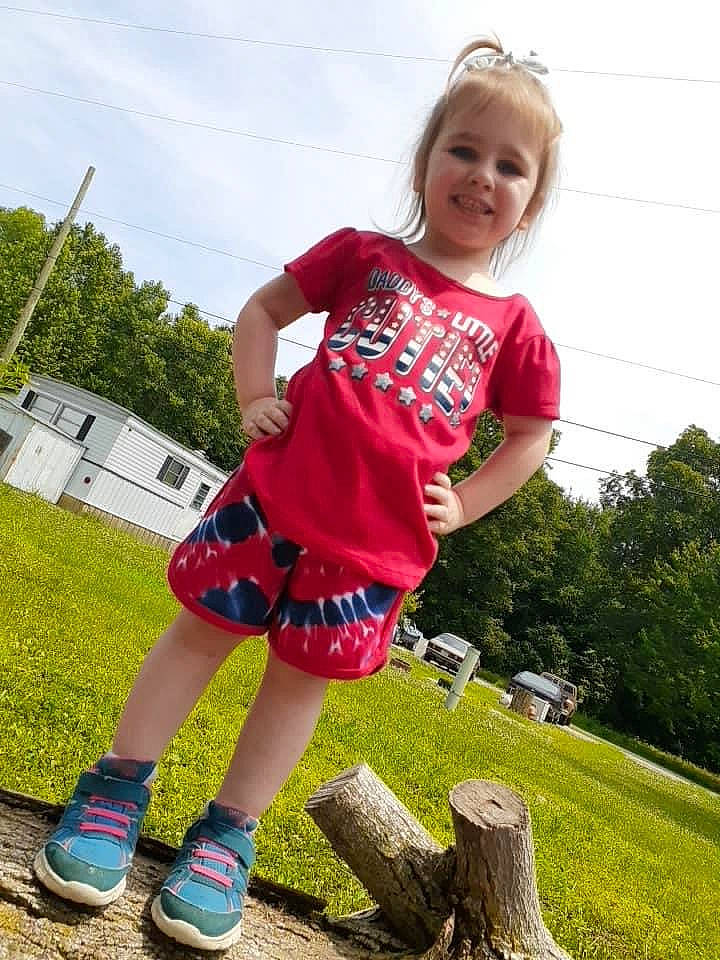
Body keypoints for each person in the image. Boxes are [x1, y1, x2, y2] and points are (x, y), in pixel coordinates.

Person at [34, 36, 563, 950]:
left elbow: (532, 436)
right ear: (426, 163)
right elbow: (263, 311)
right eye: (464, 150)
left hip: (373, 550)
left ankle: (225, 837)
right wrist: (255, 394)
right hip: (273, 502)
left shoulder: (517, 329)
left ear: (530, 206)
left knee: (295, 686)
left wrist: (467, 502)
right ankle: (117, 786)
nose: (482, 176)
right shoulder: (363, 255)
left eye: (509, 166)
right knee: (200, 635)